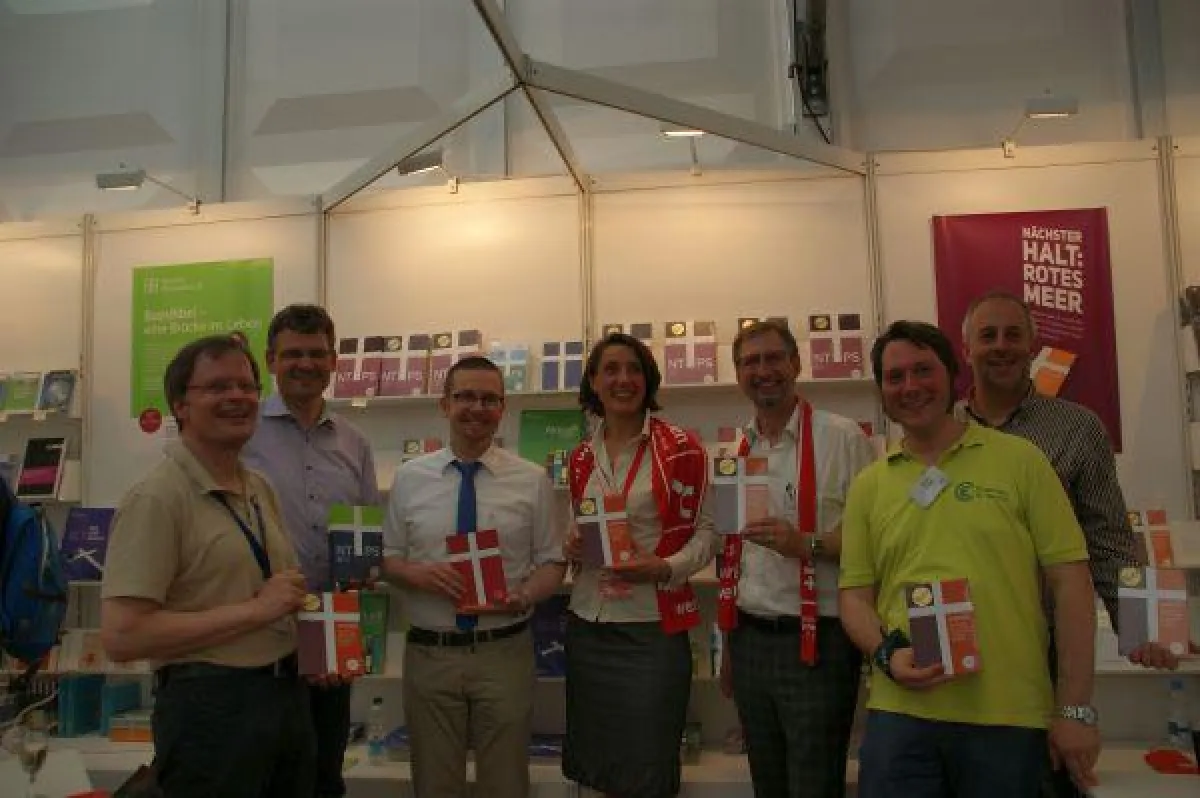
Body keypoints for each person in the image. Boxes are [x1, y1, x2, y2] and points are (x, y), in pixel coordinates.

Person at [840, 320, 1100, 798]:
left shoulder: (1021, 461)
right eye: (895, 377)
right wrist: (888, 654)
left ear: (953, 376)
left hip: (1007, 716)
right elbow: (854, 598)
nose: (910, 386)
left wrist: (1074, 709)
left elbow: (1071, 584)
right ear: (881, 391)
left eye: (923, 370)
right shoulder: (869, 485)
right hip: (901, 718)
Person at [100, 334, 314, 798]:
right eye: (217, 387)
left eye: (246, 386)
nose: (237, 397)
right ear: (181, 405)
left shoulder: (258, 487)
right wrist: (257, 611)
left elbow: (285, 590)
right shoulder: (156, 498)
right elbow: (122, 636)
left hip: (285, 698)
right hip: (209, 710)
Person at [381, 356, 566, 798]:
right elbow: (386, 557)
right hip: (431, 653)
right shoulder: (409, 478)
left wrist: (523, 596)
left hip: (503, 651)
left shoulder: (532, 479)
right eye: (465, 396)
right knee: (433, 782)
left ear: (502, 409)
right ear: (444, 404)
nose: (476, 407)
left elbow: (553, 563)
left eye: (488, 399)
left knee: (505, 783)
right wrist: (418, 574)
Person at [716, 319, 875, 798]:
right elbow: (733, 556)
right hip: (748, 638)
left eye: (772, 358)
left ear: (796, 364)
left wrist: (802, 544)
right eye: (750, 362)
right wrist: (728, 647)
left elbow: (874, 540)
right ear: (738, 373)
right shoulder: (734, 449)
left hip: (820, 643)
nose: (762, 370)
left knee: (814, 782)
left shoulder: (843, 438)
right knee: (767, 781)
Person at [561, 331, 716, 798]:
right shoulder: (581, 456)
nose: (623, 379)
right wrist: (572, 546)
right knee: (598, 762)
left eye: (634, 369)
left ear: (648, 381)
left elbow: (710, 533)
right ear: (593, 380)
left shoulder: (683, 448)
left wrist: (665, 567)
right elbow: (582, 526)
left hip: (651, 628)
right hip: (589, 624)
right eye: (610, 369)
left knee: (648, 764)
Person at [242, 304, 380, 798]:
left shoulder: (355, 442)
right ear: (271, 360)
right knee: (268, 774)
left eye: (317, 353)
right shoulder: (244, 431)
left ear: (334, 361)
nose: (306, 364)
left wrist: (366, 572)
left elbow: (365, 524)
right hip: (262, 630)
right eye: (293, 354)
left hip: (332, 626)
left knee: (325, 772)